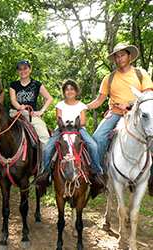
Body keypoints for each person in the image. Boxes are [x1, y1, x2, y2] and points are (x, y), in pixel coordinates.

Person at [86, 42, 153, 196]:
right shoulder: (109, 78)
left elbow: (148, 95)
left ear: (129, 56)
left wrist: (129, 104)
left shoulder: (140, 73)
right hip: (115, 113)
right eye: (116, 56)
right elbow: (98, 101)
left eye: (122, 54)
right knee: (97, 138)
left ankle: (150, 179)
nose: (119, 58)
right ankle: (100, 174)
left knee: (151, 135)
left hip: (138, 114)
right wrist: (81, 107)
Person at [42, 79, 105, 185]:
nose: (69, 91)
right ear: (64, 92)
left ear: (76, 91)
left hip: (78, 128)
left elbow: (83, 121)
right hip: (62, 129)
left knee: (93, 145)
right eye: (67, 89)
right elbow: (58, 119)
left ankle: (97, 171)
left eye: (72, 89)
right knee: (48, 148)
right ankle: (46, 172)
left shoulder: (81, 105)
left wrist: (75, 125)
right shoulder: (60, 105)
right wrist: (65, 126)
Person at [9, 60, 53, 147]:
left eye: (25, 68)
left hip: (30, 115)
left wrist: (41, 111)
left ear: (30, 69)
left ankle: (45, 159)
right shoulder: (14, 85)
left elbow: (49, 98)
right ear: (18, 71)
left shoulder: (36, 84)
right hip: (15, 113)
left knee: (45, 136)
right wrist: (19, 106)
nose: (23, 71)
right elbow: (13, 100)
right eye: (20, 69)